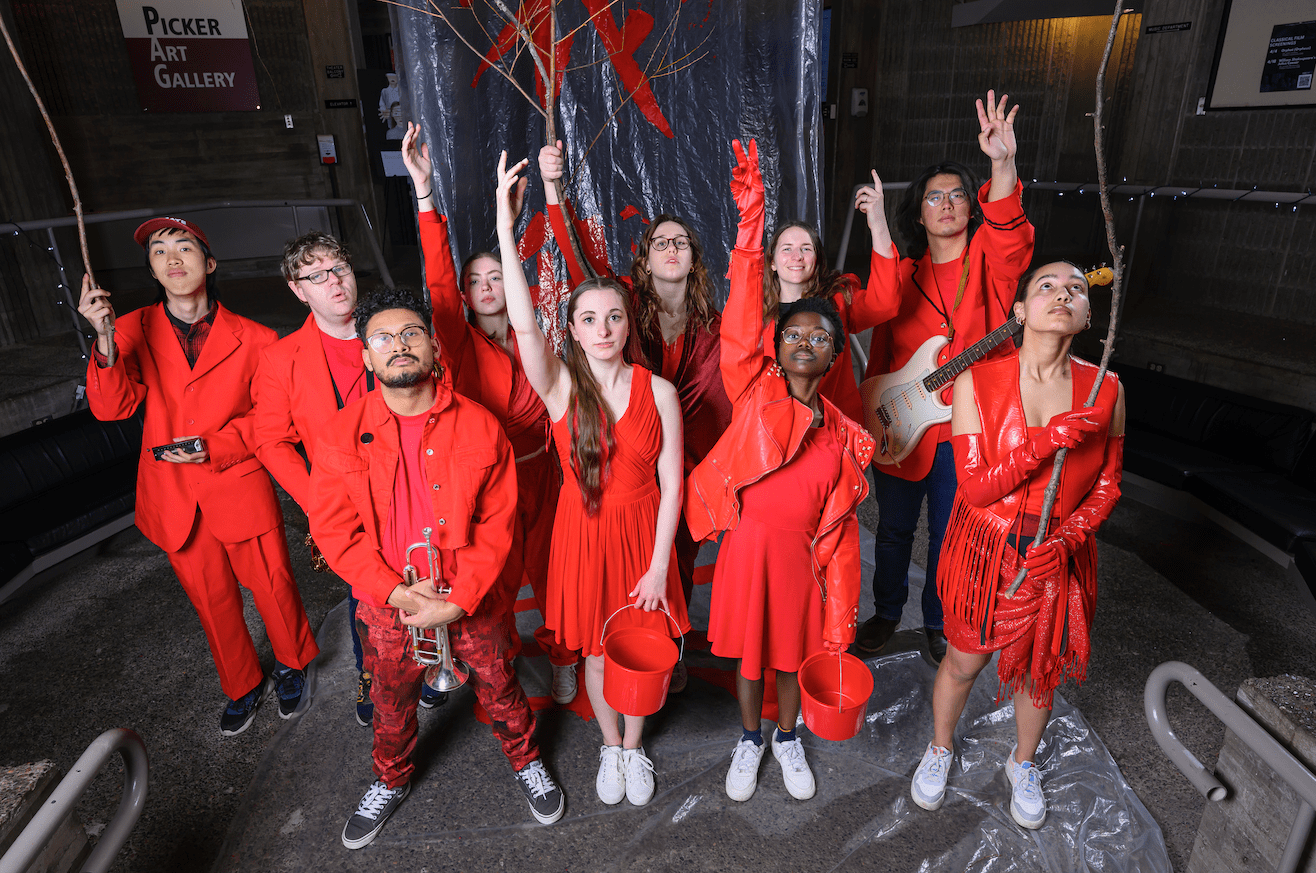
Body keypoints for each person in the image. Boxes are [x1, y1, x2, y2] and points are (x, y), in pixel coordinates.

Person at [309, 285, 565, 848]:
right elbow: (334, 532)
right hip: (387, 603)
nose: (398, 345)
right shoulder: (338, 434)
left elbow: (500, 524)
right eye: (383, 337)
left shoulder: (479, 425)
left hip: (470, 597)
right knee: (389, 699)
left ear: (433, 347)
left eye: (411, 333)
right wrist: (395, 594)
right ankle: (390, 778)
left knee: (500, 685)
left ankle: (525, 762)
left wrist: (459, 598)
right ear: (367, 355)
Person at [496, 151, 690, 807]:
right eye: (588, 319)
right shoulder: (557, 390)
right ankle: (611, 745)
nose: (604, 328)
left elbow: (673, 485)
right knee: (601, 652)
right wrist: (505, 225)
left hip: (643, 537)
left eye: (614, 317)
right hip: (583, 537)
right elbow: (523, 321)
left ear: (626, 324)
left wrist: (661, 563)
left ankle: (635, 748)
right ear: (572, 332)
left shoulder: (658, 391)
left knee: (645, 645)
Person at [77, 216, 318, 736]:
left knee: (272, 584)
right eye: (159, 252)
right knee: (211, 597)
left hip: (237, 480)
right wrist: (101, 339)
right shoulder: (127, 331)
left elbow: (271, 420)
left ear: (208, 264)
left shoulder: (256, 338)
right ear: (153, 271)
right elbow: (113, 408)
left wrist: (214, 445)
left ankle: (293, 663)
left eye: (183, 247)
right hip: (173, 495)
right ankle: (241, 684)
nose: (172, 259)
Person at [686, 140, 874, 803]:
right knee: (745, 651)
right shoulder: (752, 389)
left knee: (791, 654)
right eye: (794, 334)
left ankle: (787, 737)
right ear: (776, 344)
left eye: (821, 338)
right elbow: (740, 326)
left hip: (800, 556)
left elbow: (841, 512)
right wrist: (750, 222)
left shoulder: (838, 432)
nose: (806, 342)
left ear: (832, 357)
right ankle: (748, 737)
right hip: (747, 546)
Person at [909, 261, 1124, 830]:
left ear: (1086, 313)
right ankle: (939, 747)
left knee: (1040, 667)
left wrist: (1074, 535)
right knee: (963, 659)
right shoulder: (977, 383)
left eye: (1076, 288)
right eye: (1046, 286)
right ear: (1021, 311)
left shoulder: (1107, 388)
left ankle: (1021, 762)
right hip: (988, 548)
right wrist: (1041, 443)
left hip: (1059, 552)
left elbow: (1108, 482)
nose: (1064, 294)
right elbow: (975, 487)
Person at [399, 123, 581, 705]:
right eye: (473, 280)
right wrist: (425, 195)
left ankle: (562, 656)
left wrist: (518, 221)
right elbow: (437, 279)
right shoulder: (453, 338)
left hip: (545, 471)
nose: (483, 286)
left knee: (554, 574)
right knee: (495, 577)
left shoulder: (541, 333)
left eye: (495, 275)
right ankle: (493, 664)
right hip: (485, 479)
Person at [539, 142, 733, 684]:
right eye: (659, 242)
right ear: (643, 259)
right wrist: (554, 189)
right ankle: (604, 656)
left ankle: (665, 646)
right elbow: (579, 263)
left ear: (694, 257)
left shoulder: (716, 328)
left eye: (682, 242)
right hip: (630, 462)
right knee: (620, 569)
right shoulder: (622, 313)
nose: (671, 249)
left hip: (693, 468)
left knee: (678, 565)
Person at [856, 90, 1036, 665]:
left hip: (967, 430)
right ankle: (886, 612)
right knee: (891, 533)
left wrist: (1001, 164)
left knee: (951, 535)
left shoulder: (989, 260)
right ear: (919, 213)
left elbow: (1011, 237)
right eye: (935, 197)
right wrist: (873, 414)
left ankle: (937, 619)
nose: (949, 203)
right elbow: (881, 355)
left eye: (958, 194)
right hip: (904, 424)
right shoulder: (902, 274)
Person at [252, 230, 445, 728]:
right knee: (367, 596)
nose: (332, 282)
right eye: (315, 276)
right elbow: (271, 440)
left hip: (414, 486)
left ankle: (432, 664)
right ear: (299, 291)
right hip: (345, 501)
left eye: (337, 268)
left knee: (429, 576)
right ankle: (372, 674)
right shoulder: (280, 358)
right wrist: (318, 500)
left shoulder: (395, 332)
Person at [730, 140, 895, 424]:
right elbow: (737, 367)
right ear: (771, 262)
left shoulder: (838, 301)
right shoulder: (753, 311)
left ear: (816, 260)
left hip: (832, 434)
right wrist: (750, 220)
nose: (797, 256)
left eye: (806, 248)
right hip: (772, 435)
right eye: (786, 248)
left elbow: (886, 303)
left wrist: (878, 224)